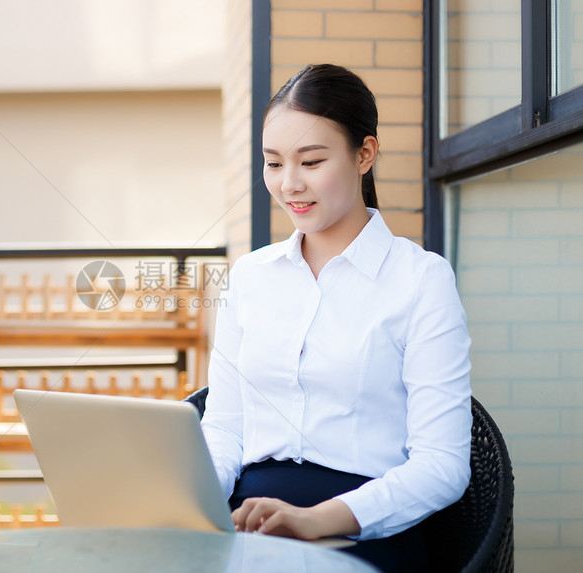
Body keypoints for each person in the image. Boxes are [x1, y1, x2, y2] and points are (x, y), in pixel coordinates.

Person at [200, 64, 472, 572]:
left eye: (311, 161)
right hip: (249, 523)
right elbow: (224, 429)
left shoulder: (420, 280)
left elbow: (444, 465)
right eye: (273, 164)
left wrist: (316, 519)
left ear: (364, 154)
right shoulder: (251, 276)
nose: (289, 185)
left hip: (361, 528)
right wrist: (195, 506)